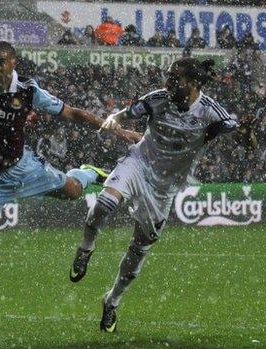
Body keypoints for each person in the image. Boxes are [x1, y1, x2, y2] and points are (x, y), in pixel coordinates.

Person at [0, 41, 142, 339]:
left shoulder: (27, 91)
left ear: (13, 63)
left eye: (2, 62)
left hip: (23, 169)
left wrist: (119, 130)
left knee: (73, 191)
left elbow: (72, 113)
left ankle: (87, 173)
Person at [68, 58, 238, 333]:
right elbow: (125, 114)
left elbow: (235, 129)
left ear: (193, 83)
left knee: (139, 248)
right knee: (103, 203)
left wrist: (245, 133)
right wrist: (113, 119)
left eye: (175, 78)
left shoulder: (209, 111)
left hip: (165, 186)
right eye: (168, 76)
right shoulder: (158, 99)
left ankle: (112, 300)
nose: (168, 82)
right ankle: (86, 248)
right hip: (140, 162)